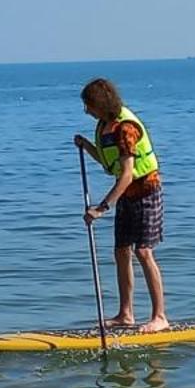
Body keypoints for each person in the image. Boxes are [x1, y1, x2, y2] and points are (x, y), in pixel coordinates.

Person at [73, 77, 168, 333]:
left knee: (143, 252)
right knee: (121, 251)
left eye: (89, 106)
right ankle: (126, 314)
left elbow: (127, 174)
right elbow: (109, 164)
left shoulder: (125, 129)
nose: (86, 111)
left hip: (146, 191)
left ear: (101, 104)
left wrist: (101, 208)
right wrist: (87, 145)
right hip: (126, 194)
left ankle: (160, 316)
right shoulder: (105, 125)